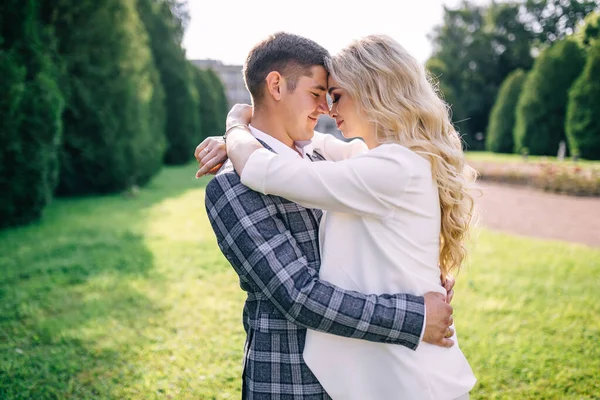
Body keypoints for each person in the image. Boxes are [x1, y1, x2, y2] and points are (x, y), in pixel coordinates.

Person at [197, 32, 457, 399]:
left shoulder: (325, 161)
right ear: (275, 85)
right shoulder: (231, 187)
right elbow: (298, 295)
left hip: (363, 375)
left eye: (333, 96)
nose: (326, 110)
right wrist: (415, 316)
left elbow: (375, 236)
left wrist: (417, 275)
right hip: (290, 380)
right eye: (318, 94)